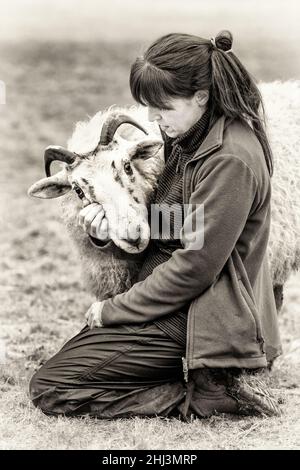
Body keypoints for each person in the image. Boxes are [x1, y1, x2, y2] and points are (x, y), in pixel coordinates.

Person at [29, 30, 282, 420]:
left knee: (53, 387)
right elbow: (177, 226)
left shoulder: (229, 160)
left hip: (205, 319)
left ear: (201, 96)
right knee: (73, 360)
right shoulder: (189, 141)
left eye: (163, 107)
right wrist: (107, 237)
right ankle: (189, 381)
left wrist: (114, 310)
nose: (153, 119)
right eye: (149, 107)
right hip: (179, 304)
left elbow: (195, 267)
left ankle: (202, 396)